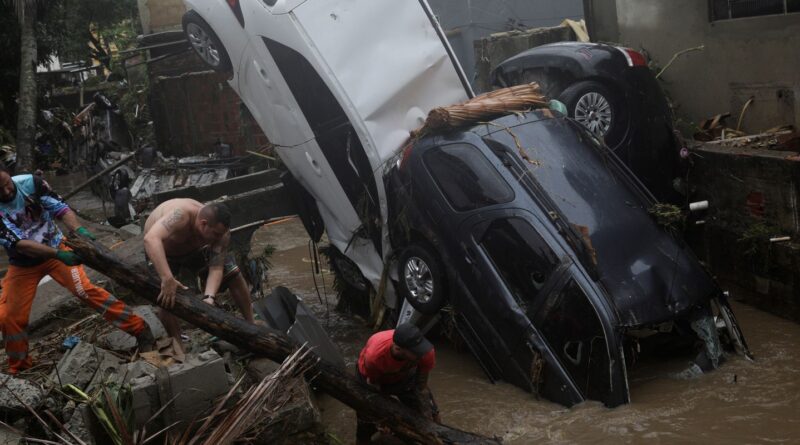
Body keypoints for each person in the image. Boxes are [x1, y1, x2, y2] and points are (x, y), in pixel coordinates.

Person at [0, 166, 154, 374]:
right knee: (8, 315)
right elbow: (20, 243)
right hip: (24, 262)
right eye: (0, 191)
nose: (7, 192)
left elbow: (60, 208)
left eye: (7, 185)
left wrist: (79, 230)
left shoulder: (31, 184)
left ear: (10, 176)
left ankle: (140, 329)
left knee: (85, 290)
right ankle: (20, 367)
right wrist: (58, 255)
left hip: (56, 244)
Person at [143, 199, 254, 353]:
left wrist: (209, 297)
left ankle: (251, 327)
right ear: (203, 224)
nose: (218, 238)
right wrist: (167, 278)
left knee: (233, 273)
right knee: (166, 297)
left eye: (220, 235)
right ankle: (178, 347)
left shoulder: (221, 234)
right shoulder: (181, 214)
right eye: (215, 234)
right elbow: (151, 239)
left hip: (196, 250)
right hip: (163, 252)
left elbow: (216, 268)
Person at [356, 323, 440, 444]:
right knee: (367, 421)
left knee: (432, 414)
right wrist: (381, 418)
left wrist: (428, 420)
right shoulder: (375, 357)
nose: (421, 354)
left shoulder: (426, 352)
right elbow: (374, 387)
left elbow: (421, 387)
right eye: (416, 351)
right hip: (371, 379)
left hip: (404, 376)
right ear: (398, 349)